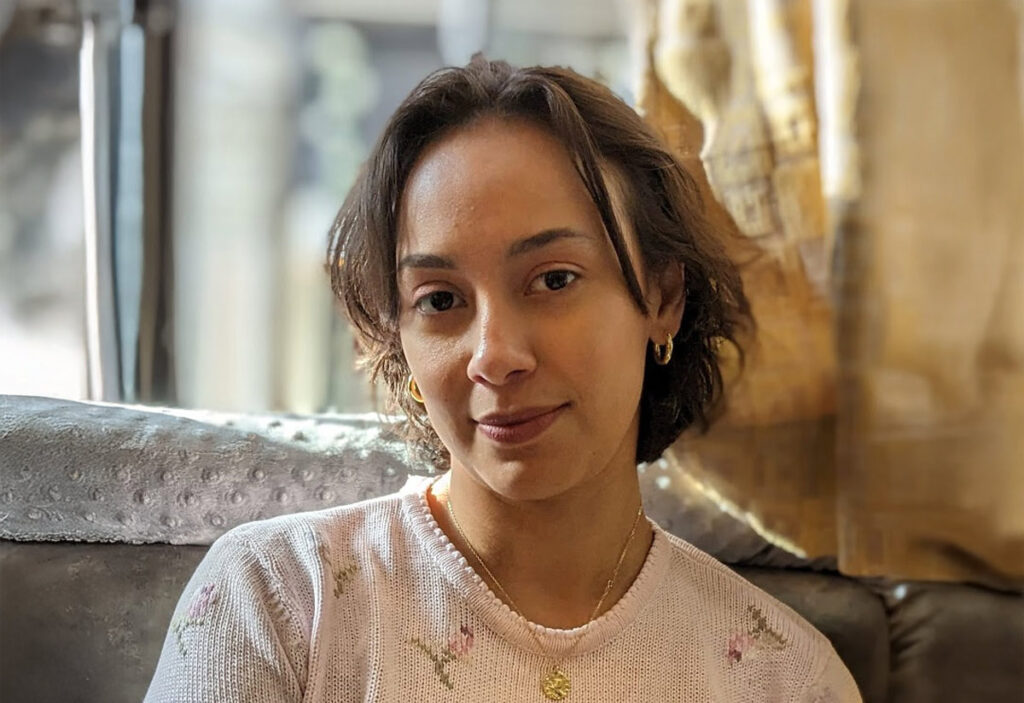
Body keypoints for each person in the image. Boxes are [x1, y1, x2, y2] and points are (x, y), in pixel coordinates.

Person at [144, 56, 861, 701]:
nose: (494, 355)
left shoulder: (784, 676)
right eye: (440, 301)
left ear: (662, 297)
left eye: (553, 279)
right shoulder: (277, 599)